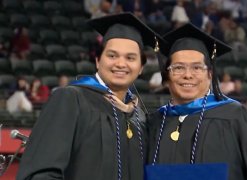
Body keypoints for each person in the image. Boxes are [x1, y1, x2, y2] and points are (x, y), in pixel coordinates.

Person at [16, 12, 164, 180]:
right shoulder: (70, 100)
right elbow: (41, 173)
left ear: (141, 67)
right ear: (97, 60)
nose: (121, 64)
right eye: (112, 55)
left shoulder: (139, 117)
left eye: (130, 58)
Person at [147, 23, 247, 179]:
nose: (188, 75)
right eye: (178, 68)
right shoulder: (154, 122)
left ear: (210, 74)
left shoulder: (239, 118)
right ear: (167, 76)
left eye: (197, 68)